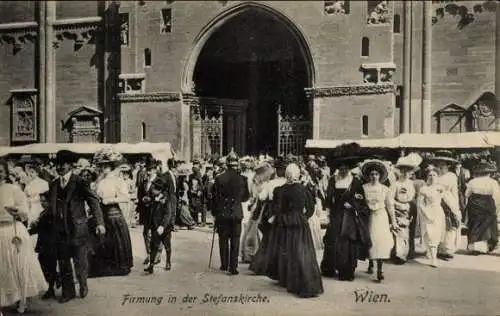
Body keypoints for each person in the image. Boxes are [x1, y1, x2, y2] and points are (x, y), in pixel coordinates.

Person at [49, 150, 105, 303]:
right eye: (58, 165)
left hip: (77, 228)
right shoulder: (53, 184)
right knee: (64, 261)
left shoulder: (79, 182)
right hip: (60, 229)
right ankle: (68, 292)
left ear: (70, 166)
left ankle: (83, 283)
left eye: (63, 164)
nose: (60, 167)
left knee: (80, 260)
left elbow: (93, 201)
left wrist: (100, 223)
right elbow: (51, 207)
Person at [265, 163, 323, 298]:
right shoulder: (304, 189)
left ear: (286, 174)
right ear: (298, 175)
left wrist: (283, 216)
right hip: (299, 222)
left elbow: (277, 208)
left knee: (285, 250)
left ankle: (286, 279)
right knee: (301, 251)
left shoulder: (280, 190)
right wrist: (302, 216)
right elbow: (310, 209)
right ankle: (302, 279)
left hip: (285, 222)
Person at [0, 158, 47, 314]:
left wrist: (16, 211)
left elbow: (25, 212)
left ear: (6, 173)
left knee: (18, 265)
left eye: (0, 171)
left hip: (13, 231)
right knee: (3, 267)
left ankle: (22, 300)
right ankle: (4, 299)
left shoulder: (14, 189)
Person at [320, 157, 371, 281]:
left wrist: (353, 205)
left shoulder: (356, 182)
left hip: (350, 216)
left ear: (349, 169)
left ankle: (347, 271)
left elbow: (361, 200)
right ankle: (330, 268)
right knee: (333, 240)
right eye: (341, 169)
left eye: (345, 169)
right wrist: (328, 212)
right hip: (336, 214)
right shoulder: (333, 180)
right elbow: (328, 199)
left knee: (348, 243)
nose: (343, 171)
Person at [89, 148, 133, 277]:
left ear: (111, 166)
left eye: (105, 166)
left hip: (113, 214)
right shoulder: (99, 181)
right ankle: (102, 267)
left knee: (116, 240)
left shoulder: (118, 181)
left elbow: (126, 198)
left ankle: (118, 266)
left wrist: (110, 200)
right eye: (101, 166)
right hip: (101, 214)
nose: (103, 169)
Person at [212, 150, 250, 275]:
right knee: (235, 240)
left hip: (222, 213)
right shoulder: (243, 179)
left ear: (226, 164)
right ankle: (233, 267)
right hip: (236, 213)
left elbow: (215, 198)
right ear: (237, 164)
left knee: (223, 239)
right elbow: (245, 197)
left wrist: (214, 213)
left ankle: (224, 264)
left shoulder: (219, 178)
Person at [249, 157, 287, 274]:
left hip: (271, 212)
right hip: (285, 213)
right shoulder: (288, 183)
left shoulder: (270, 184)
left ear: (276, 170)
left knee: (268, 239)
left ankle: (264, 264)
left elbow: (261, 197)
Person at [362, 159, 397, 282]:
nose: (374, 176)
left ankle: (379, 270)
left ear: (380, 176)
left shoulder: (385, 189)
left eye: (376, 174)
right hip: (368, 216)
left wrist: (394, 221)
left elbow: (390, 206)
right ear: (368, 176)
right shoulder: (364, 188)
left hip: (381, 216)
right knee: (370, 240)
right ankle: (371, 263)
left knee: (380, 241)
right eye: (371, 174)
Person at [390, 153, 421, 263]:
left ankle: (409, 251)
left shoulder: (412, 184)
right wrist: (398, 205)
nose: (406, 173)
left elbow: (416, 196)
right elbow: (390, 198)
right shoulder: (395, 184)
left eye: (408, 171)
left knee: (410, 231)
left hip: (410, 208)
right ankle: (399, 254)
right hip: (399, 208)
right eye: (404, 171)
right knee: (400, 231)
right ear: (400, 171)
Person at [431, 150, 461, 260]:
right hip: (437, 201)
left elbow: (455, 192)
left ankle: (448, 249)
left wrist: (456, 207)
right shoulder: (434, 175)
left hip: (449, 201)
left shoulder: (452, 176)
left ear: (448, 165)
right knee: (438, 224)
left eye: (443, 165)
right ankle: (438, 249)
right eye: (439, 165)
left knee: (450, 224)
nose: (441, 167)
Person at [465, 160, 499, 254]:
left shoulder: (472, 181)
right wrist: (497, 208)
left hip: (475, 204)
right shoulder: (493, 182)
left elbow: (467, 194)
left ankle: (474, 246)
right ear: (489, 173)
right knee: (487, 225)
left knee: (474, 225)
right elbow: (497, 196)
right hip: (488, 204)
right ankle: (486, 246)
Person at [28, 192, 57, 300]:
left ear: (49, 201)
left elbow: (41, 226)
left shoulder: (50, 213)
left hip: (49, 243)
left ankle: (51, 288)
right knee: (45, 265)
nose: (42, 203)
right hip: (45, 243)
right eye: (41, 201)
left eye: (44, 201)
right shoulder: (44, 212)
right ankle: (51, 286)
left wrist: (34, 226)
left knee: (48, 266)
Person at [417, 166, 447, 267]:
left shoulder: (441, 188)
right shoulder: (424, 189)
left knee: (436, 234)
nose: (432, 177)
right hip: (427, 212)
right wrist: (426, 214)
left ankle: (431, 252)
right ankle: (434, 259)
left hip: (438, 212)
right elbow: (420, 203)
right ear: (427, 177)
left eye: (434, 175)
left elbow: (447, 200)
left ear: (438, 177)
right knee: (430, 234)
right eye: (430, 175)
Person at [144, 176, 175, 273]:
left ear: (159, 190)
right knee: (154, 245)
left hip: (164, 227)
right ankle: (151, 265)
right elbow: (149, 205)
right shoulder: (154, 197)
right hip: (154, 225)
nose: (152, 190)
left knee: (167, 245)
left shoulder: (166, 199)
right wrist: (147, 201)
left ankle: (168, 262)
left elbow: (168, 214)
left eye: (154, 189)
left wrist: (162, 226)